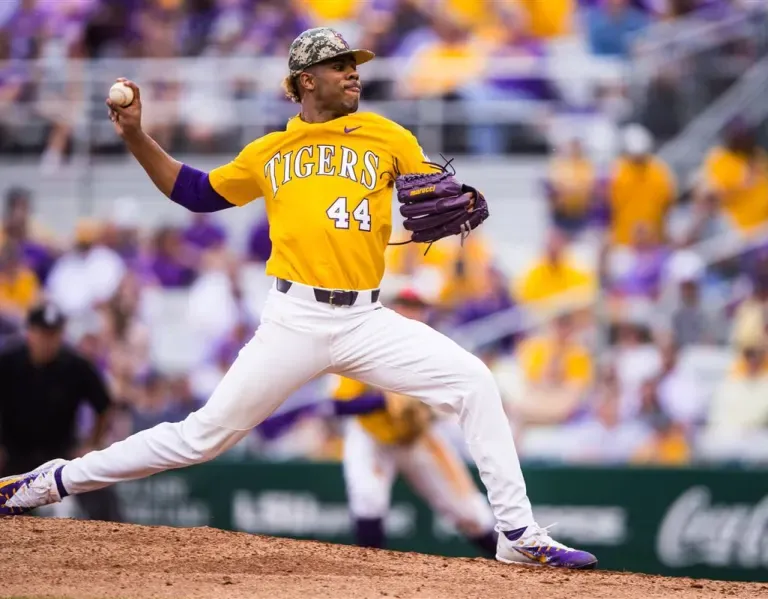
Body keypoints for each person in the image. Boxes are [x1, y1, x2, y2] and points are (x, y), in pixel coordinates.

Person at [0, 27, 595, 569]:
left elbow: (421, 204)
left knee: (475, 382)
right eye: (340, 65)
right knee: (202, 436)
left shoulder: (389, 135)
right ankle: (51, 481)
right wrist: (136, 138)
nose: (354, 72)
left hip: (367, 317)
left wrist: (443, 211)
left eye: (355, 64)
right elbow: (196, 193)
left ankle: (516, 533)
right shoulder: (271, 151)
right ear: (306, 80)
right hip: (295, 317)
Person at [0, 302, 122, 522]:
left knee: (100, 487)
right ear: (30, 333)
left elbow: (104, 405)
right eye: (43, 333)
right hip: (12, 455)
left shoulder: (75, 365)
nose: (48, 341)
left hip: (60, 456)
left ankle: (118, 542)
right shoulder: (7, 361)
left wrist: (90, 443)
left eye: (54, 334)